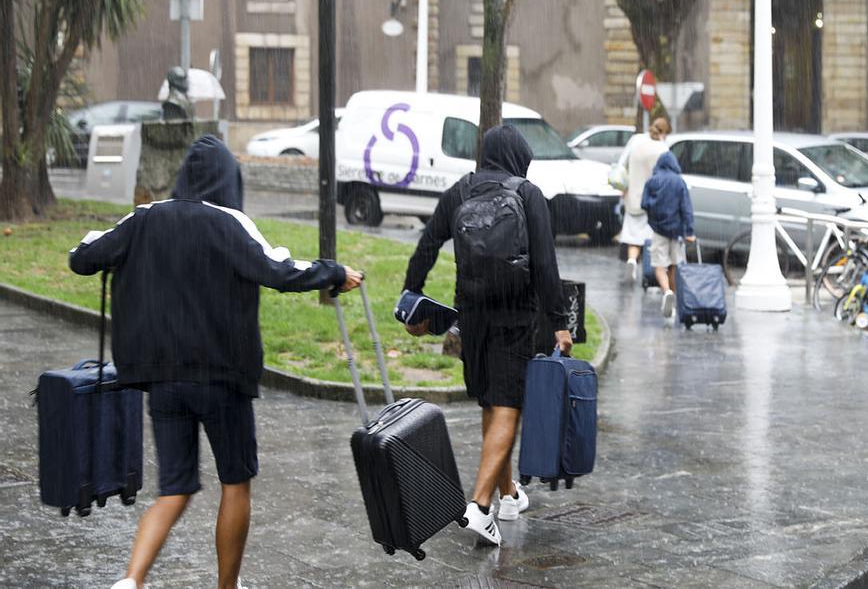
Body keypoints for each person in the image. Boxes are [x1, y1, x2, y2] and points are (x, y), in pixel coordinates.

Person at [69, 136, 362, 589]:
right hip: (223, 378)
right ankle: (227, 586)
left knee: (174, 489)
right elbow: (279, 271)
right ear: (230, 179)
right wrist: (335, 272)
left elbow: (83, 257)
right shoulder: (230, 222)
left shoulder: (144, 218)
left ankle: (131, 580)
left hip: (162, 379)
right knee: (235, 482)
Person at [402, 124, 571, 546]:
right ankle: (478, 507)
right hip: (518, 315)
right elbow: (547, 267)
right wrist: (560, 322)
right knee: (508, 405)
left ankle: (508, 494)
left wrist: (412, 298)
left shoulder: (460, 192)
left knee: (491, 402)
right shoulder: (528, 194)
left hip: (472, 315)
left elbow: (427, 244)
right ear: (518, 157)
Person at [641, 150, 696, 319]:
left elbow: (644, 203)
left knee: (658, 265)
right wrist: (690, 231)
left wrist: (655, 212)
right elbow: (686, 209)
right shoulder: (679, 182)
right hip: (677, 231)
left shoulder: (652, 181)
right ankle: (674, 299)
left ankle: (666, 292)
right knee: (674, 264)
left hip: (659, 230)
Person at [616, 117, 672, 281]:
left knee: (633, 236)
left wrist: (624, 187)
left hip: (633, 197)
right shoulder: (662, 148)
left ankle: (632, 260)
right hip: (653, 200)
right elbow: (666, 175)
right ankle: (651, 274)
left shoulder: (635, 140)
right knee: (650, 239)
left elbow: (621, 165)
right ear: (664, 132)